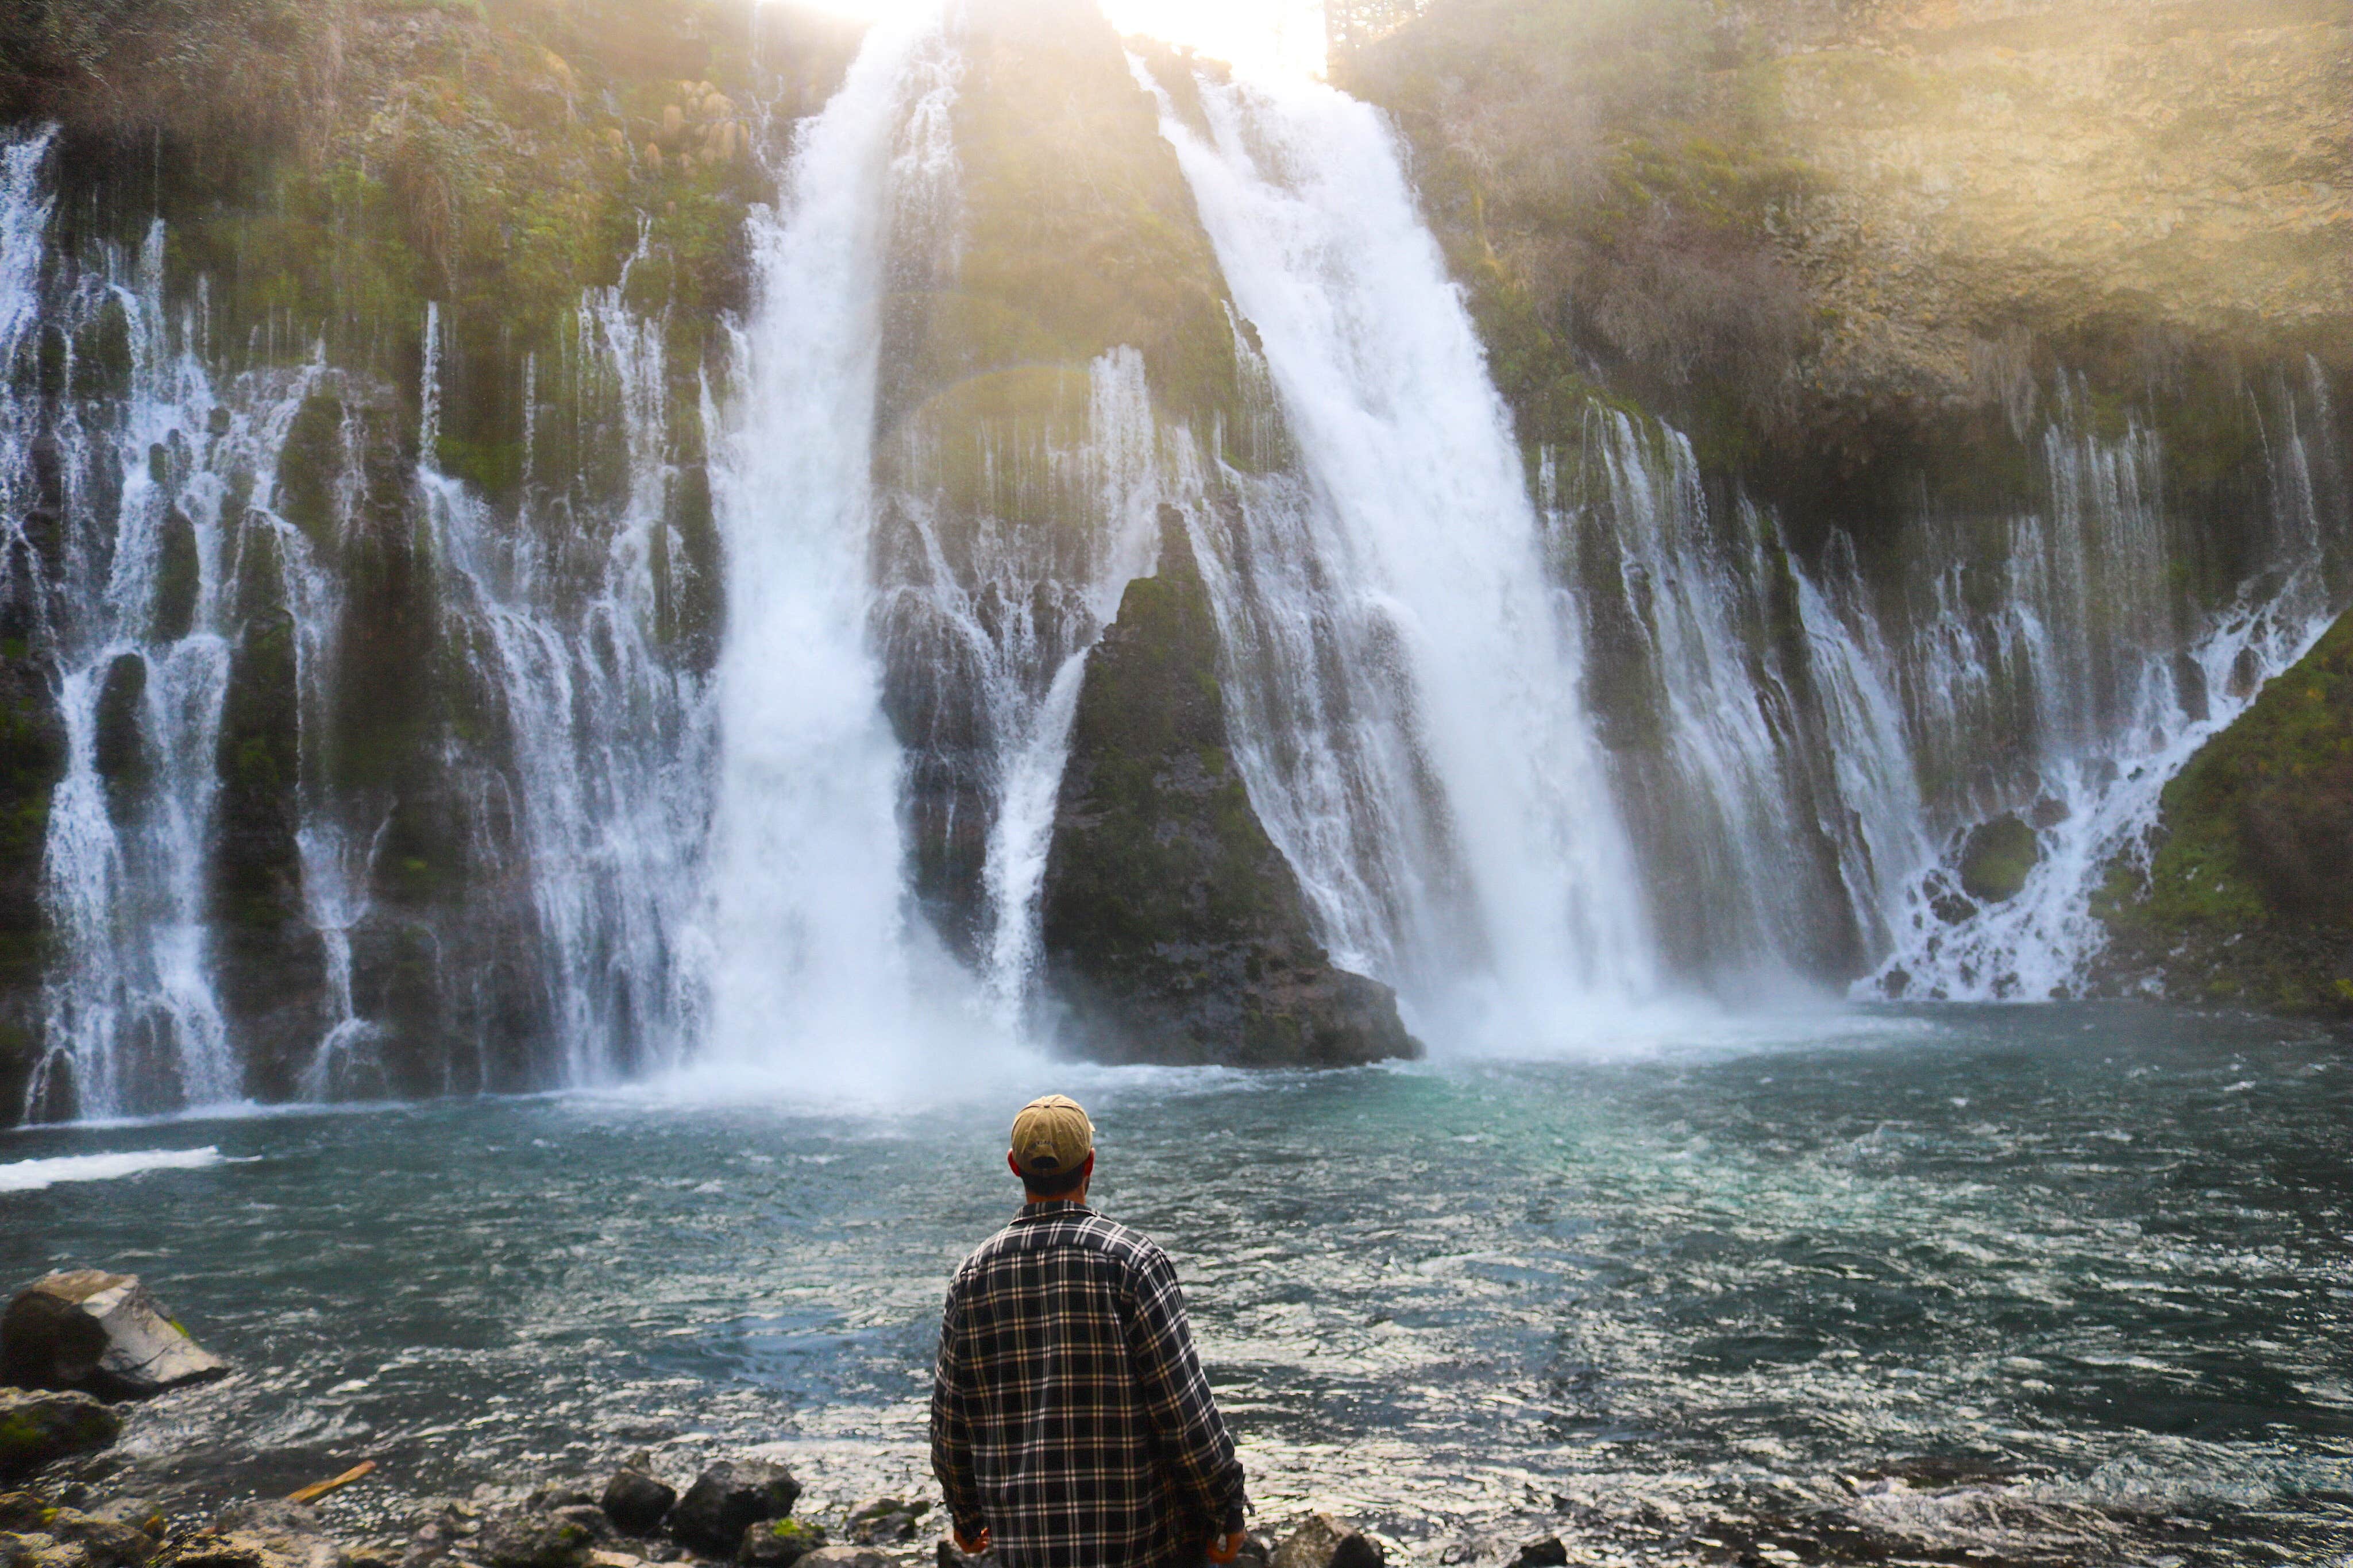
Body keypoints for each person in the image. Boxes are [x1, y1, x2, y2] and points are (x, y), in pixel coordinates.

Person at [931, 1094, 1249, 1568]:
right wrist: (1225, 1504)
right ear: (1091, 1164)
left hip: (1028, 1547)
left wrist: (965, 1510)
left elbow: (950, 1421)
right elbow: (1182, 1408)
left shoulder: (971, 1276)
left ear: (1015, 1166)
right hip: (1139, 1544)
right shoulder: (1133, 1262)